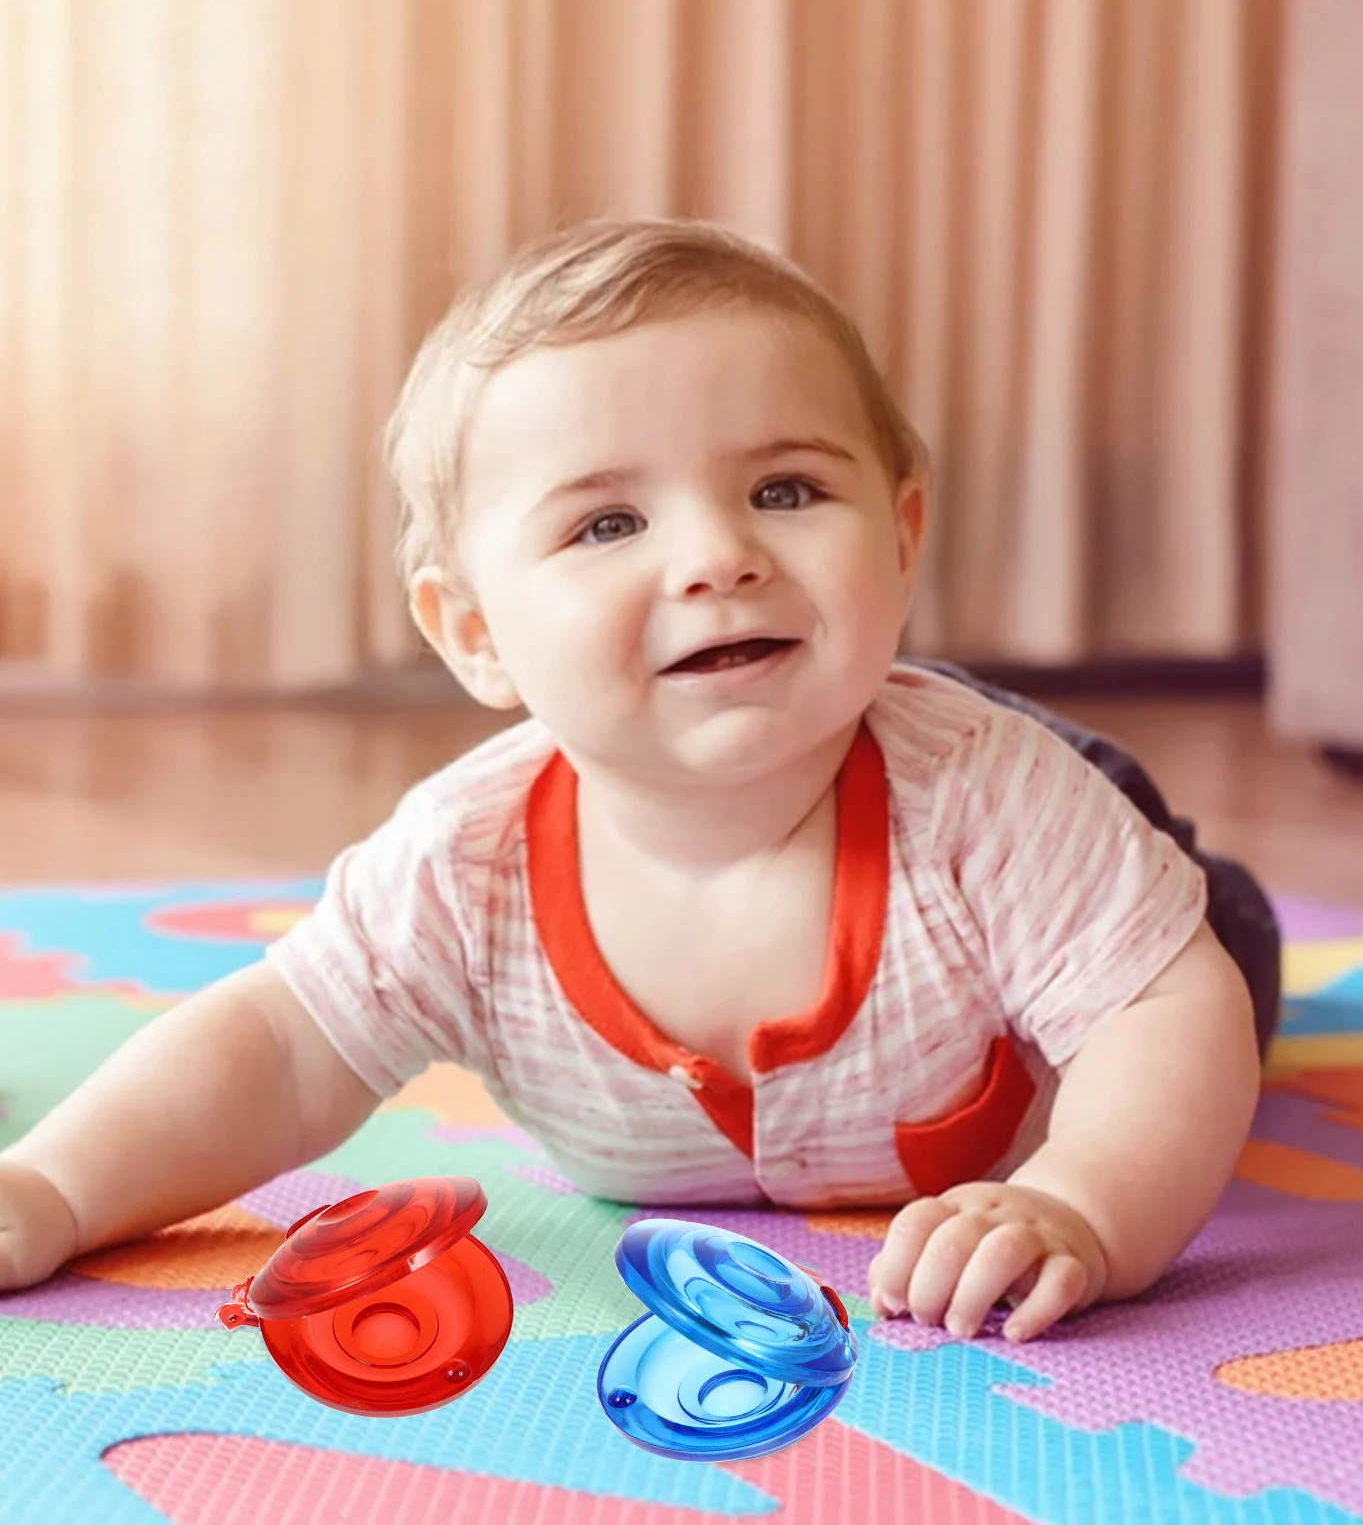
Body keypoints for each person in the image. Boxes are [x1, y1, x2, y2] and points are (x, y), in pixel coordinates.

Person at [0, 219, 1278, 1344]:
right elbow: (278, 1052)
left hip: (1035, 823)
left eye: (784, 490)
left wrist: (1084, 1204)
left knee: (1213, 957)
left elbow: (1157, 1013)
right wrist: (53, 1187)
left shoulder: (992, 804)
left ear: (899, 536)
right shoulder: (465, 863)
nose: (719, 556)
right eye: (608, 524)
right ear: (475, 633)